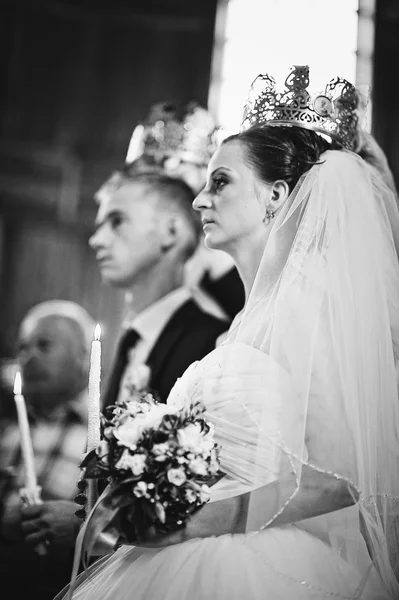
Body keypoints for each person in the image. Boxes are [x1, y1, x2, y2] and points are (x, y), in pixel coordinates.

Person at [54, 65, 399, 600]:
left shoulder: (311, 311)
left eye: (220, 182)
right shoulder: (244, 320)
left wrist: (196, 522)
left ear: (276, 196)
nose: (199, 201)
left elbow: (342, 479)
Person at [0, 300, 95, 600]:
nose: (28, 358)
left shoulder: (104, 433)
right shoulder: (8, 421)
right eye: (23, 347)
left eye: (44, 345)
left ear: (83, 356)